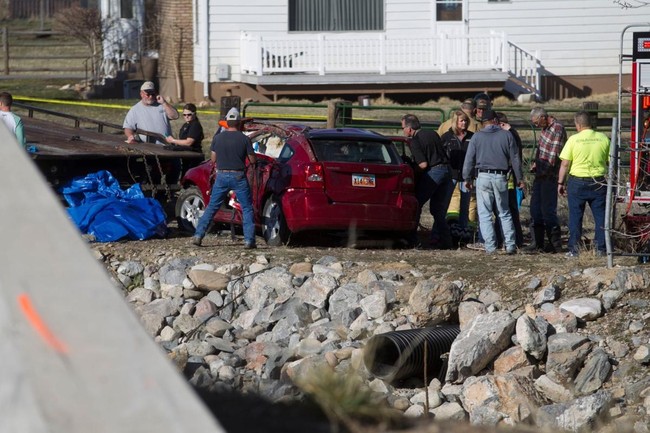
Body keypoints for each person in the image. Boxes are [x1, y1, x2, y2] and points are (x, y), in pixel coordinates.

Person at [191, 109, 257, 249]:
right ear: (239, 122)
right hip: (238, 176)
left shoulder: (218, 138)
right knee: (246, 208)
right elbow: (252, 160)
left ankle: (198, 235)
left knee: (212, 207)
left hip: (221, 175)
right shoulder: (244, 139)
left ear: (226, 122)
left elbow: (213, 159)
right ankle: (249, 241)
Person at [462, 109, 525, 255]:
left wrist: (467, 178)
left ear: (483, 123)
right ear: (496, 121)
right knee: (504, 212)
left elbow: (469, 159)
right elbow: (515, 159)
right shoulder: (507, 135)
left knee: (484, 214)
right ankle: (510, 245)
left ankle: (490, 247)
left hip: (482, 176)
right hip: (501, 176)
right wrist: (519, 178)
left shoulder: (477, 137)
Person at [557, 111, 610, 257]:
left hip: (577, 181)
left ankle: (574, 249)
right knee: (600, 216)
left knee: (575, 216)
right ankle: (601, 248)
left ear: (578, 124)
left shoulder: (574, 139)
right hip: (598, 181)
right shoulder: (603, 138)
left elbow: (565, 163)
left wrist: (560, 182)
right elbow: (610, 161)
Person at [402, 113, 454, 249]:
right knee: (438, 210)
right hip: (447, 171)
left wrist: (412, 169)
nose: (403, 131)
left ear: (409, 129)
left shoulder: (414, 140)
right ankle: (447, 242)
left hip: (434, 172)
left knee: (416, 204)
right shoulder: (432, 133)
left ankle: (412, 239)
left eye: (403, 128)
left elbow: (423, 164)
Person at [526, 107, 567, 253]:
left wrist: (544, 169)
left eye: (537, 122)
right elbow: (542, 150)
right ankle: (536, 242)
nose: (536, 125)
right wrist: (536, 164)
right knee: (535, 209)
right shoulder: (545, 130)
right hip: (541, 174)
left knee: (548, 210)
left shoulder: (557, 129)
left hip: (549, 176)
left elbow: (554, 155)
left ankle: (554, 244)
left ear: (543, 117)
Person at [440, 109, 475, 245]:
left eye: (466, 120)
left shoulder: (472, 136)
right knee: (445, 203)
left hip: (466, 176)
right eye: (462, 120)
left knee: (465, 205)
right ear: (456, 122)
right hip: (452, 175)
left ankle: (463, 235)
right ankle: (442, 233)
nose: (464, 123)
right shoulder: (447, 137)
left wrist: (472, 175)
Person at [497, 112, 525, 247]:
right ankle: (515, 239)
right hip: (510, 177)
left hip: (508, 177)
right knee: (509, 209)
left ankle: (508, 239)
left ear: (501, 124)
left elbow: (514, 157)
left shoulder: (509, 136)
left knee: (506, 209)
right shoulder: (513, 134)